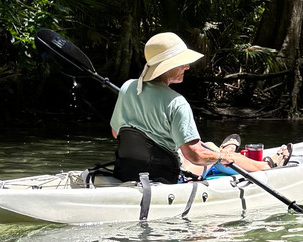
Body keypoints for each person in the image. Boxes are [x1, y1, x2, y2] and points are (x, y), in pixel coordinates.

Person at [109, 32, 292, 182]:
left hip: (130, 170)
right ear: (166, 67)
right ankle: (265, 166)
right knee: (212, 152)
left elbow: (117, 132)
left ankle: (226, 150)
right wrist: (222, 158)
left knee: (210, 146)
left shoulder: (128, 87)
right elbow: (195, 156)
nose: (187, 67)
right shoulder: (177, 102)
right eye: (181, 63)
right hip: (167, 175)